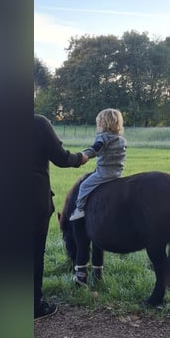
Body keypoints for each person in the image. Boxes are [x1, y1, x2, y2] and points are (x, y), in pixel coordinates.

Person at [34, 114, 88, 319]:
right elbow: (62, 158)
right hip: (32, 203)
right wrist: (80, 158)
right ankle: (34, 307)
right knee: (34, 253)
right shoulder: (38, 123)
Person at [68, 108, 127, 221]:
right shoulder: (122, 140)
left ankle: (79, 209)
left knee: (84, 186)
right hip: (117, 173)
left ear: (102, 123)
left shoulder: (103, 138)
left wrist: (83, 155)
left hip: (103, 173)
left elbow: (95, 149)